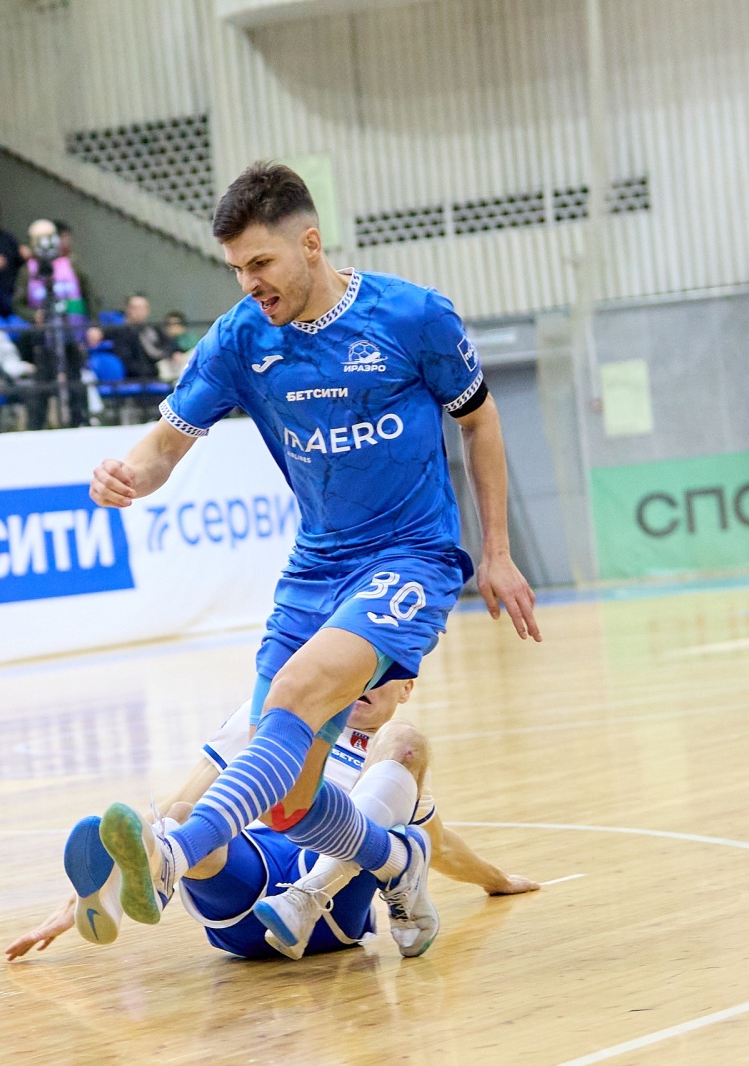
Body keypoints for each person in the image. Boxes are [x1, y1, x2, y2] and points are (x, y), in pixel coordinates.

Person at [74, 163, 538, 944]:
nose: (248, 283)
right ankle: (398, 863)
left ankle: (174, 854)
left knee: (294, 692)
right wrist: (127, 475)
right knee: (288, 799)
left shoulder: (413, 317)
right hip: (315, 568)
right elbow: (163, 448)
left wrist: (496, 551)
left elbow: (480, 421)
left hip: (411, 558)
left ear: (311, 245)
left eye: (260, 262)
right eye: (236, 268)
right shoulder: (239, 339)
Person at [12, 679, 537, 962]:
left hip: (331, 910)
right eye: (365, 668)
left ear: (407, 689)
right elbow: (176, 808)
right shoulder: (270, 712)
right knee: (187, 818)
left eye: (385, 675)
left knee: (406, 743)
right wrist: (80, 898)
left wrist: (496, 881)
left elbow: (437, 847)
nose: (369, 681)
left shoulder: (389, 766)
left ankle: (309, 893)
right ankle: (130, 887)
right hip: (244, 903)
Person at [107, 293, 171, 382]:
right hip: (142, 377)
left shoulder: (154, 329)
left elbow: (170, 345)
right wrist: (155, 369)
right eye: (135, 308)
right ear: (128, 310)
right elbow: (127, 362)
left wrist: (175, 353)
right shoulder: (120, 333)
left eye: (142, 308)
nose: (139, 312)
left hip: (164, 369)